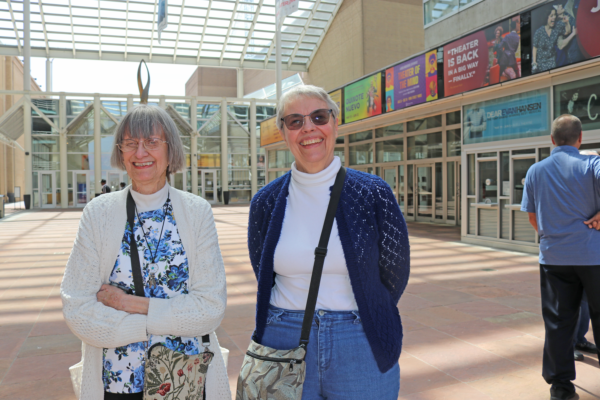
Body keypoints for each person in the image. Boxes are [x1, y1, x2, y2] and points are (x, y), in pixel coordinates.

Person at [247, 85, 410, 399]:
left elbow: (395, 270)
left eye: (319, 117)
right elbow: (262, 269)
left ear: (335, 122)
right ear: (283, 132)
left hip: (360, 339)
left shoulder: (373, 193)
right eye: (295, 121)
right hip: (283, 338)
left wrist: (368, 307)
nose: (308, 128)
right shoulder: (265, 202)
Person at [61, 105, 230, 400]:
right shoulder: (98, 213)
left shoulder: (196, 212)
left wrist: (126, 303)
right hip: (118, 382)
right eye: (130, 143)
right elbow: (77, 307)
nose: (140, 153)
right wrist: (160, 323)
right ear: (121, 152)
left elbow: (210, 308)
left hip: (184, 379)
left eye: (152, 141)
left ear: (170, 149)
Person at [521, 114, 600, 400]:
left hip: (554, 258)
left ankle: (561, 388)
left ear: (552, 140)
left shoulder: (535, 170)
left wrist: (552, 236)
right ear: (581, 138)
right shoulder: (593, 164)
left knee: (558, 322)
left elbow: (532, 216)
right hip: (594, 256)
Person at [573, 149, 600, 362]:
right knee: (571, 301)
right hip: (574, 251)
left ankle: (579, 339)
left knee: (585, 301)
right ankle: (569, 342)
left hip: (593, 253)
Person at [533, 7, 560, 73]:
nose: (554, 17)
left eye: (555, 15)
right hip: (540, 63)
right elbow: (535, 47)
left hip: (552, 62)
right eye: (551, 16)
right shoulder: (539, 32)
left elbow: (567, 32)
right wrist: (534, 62)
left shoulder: (555, 30)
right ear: (546, 17)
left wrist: (567, 23)